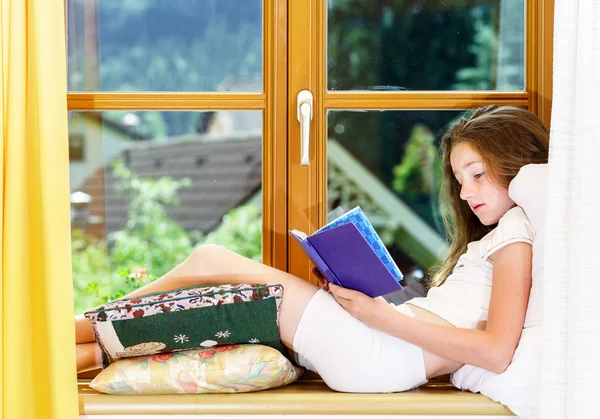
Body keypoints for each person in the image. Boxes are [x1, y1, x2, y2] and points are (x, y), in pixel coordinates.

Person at [75, 105, 549, 394]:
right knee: (222, 311)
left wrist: (379, 317)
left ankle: (78, 323)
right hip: (382, 347)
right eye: (461, 178)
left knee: (211, 261)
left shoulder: (516, 237)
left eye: (478, 174)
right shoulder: (503, 235)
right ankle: (75, 349)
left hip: (381, 352)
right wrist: (374, 306)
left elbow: (495, 352)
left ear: (518, 165)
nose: (466, 192)